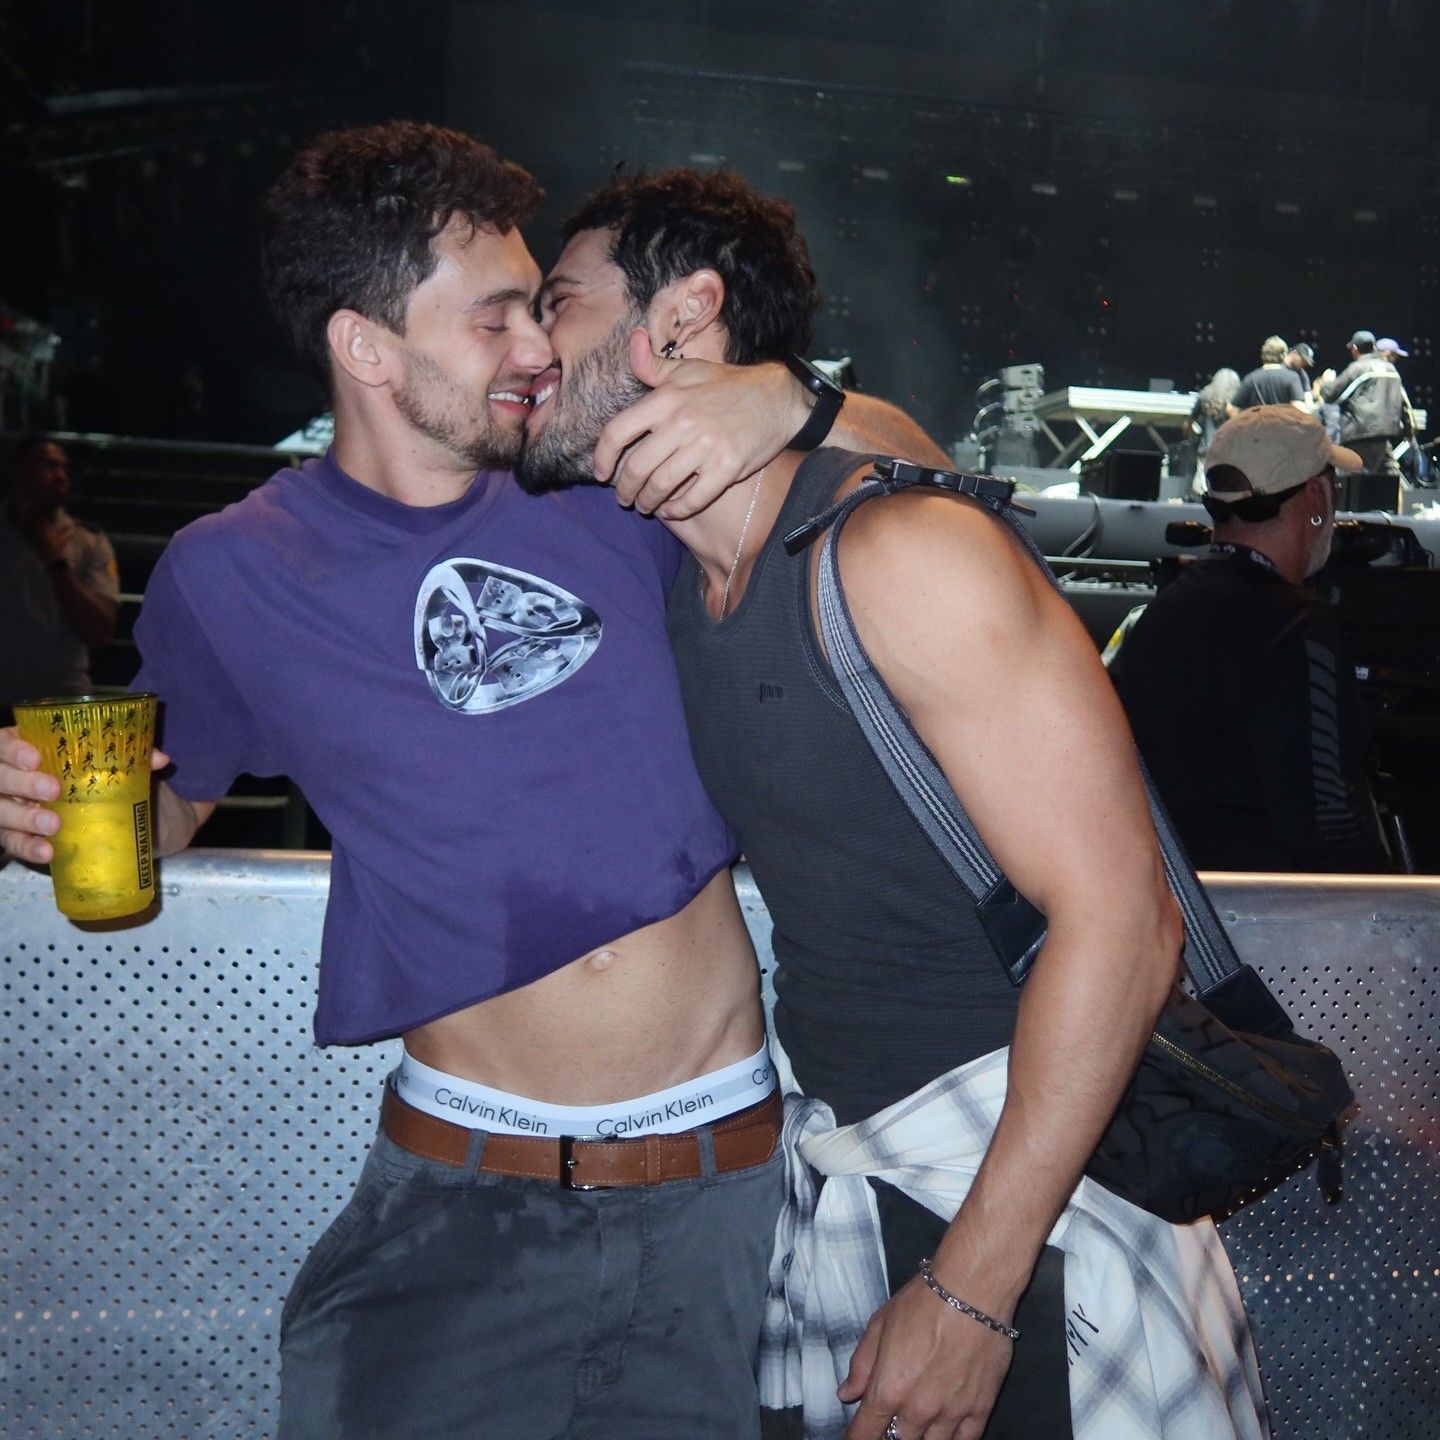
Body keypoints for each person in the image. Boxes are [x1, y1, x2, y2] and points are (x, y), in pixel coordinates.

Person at [0, 123, 940, 1439]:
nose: (538, 346)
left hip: (728, 1201)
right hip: (460, 1214)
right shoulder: (234, 572)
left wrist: (791, 402)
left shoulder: (606, 474)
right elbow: (161, 809)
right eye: (494, 317)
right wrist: (41, 816)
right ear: (366, 346)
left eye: (536, 308)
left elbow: (927, 483)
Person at [518, 166, 1269, 1440]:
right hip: (850, 1179)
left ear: (683, 317)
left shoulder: (899, 550)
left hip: (1022, 1193)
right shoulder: (679, 571)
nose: (534, 344)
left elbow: (1125, 926)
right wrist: (796, 401)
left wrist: (976, 1289)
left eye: (560, 302)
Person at [1110, 405, 1391, 874]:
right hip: (1270, 911)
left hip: (1181, 897)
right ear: (1316, 498)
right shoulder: (1296, 626)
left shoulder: (1160, 613)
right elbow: (1329, 827)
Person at [0, 436, 119, 722]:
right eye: (49, 466)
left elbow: (100, 631)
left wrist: (56, 562)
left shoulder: (87, 540)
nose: (61, 476)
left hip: (62, 701)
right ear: (18, 470)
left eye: (64, 467)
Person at [1316, 329, 1408, 474]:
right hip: (1384, 433)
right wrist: (1408, 430)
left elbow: (1331, 396)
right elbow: (1404, 403)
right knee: (1389, 474)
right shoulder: (1392, 370)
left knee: (1352, 478)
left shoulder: (1358, 368)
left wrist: (1325, 382)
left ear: (1354, 348)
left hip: (1359, 433)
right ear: (1374, 347)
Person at [1228, 335, 1304, 413]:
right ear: (1283, 355)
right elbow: (1299, 409)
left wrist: (1246, 419)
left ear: (1262, 355)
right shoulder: (1292, 378)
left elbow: (1231, 409)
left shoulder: (1251, 378)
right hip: (1283, 421)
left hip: (1257, 421)